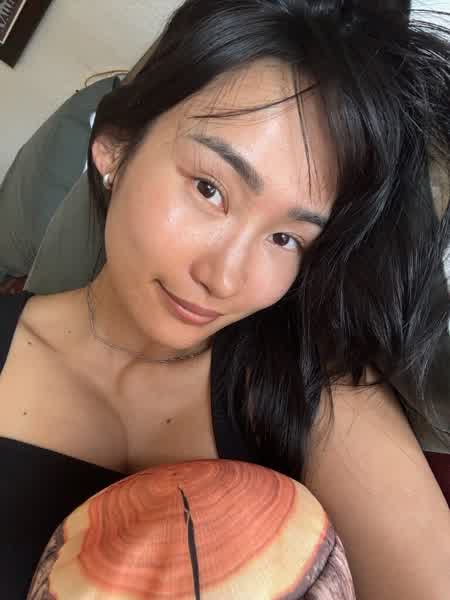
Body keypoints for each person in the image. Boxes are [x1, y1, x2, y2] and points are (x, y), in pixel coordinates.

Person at [0, 1, 449, 598]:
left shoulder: (313, 396)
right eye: (210, 189)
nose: (226, 277)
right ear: (114, 148)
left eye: (286, 238)